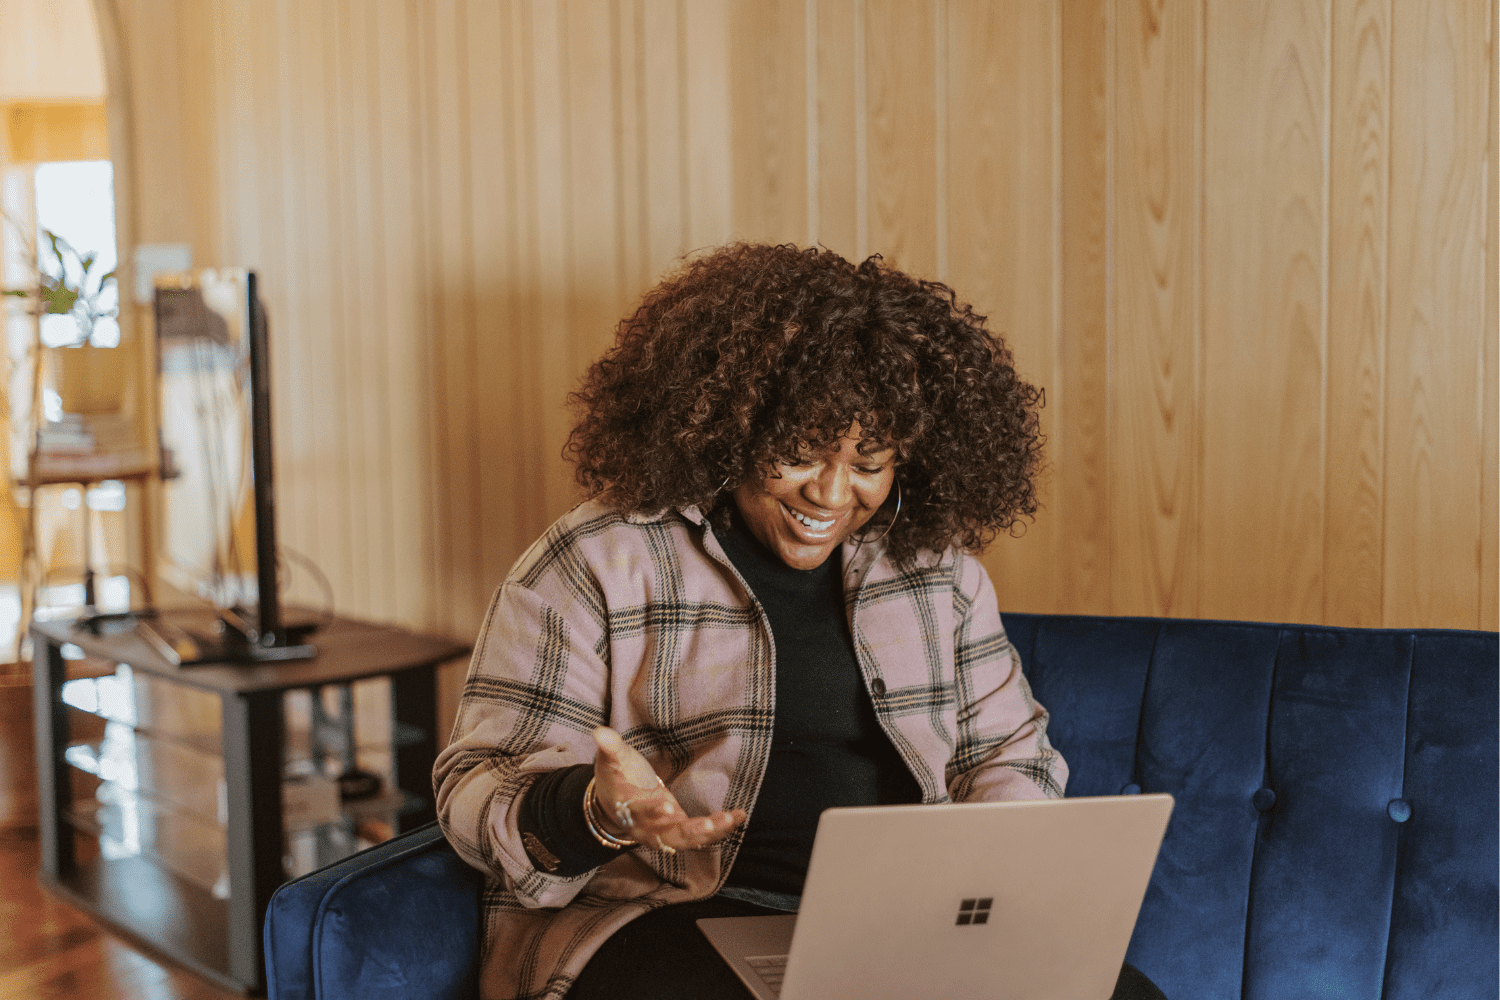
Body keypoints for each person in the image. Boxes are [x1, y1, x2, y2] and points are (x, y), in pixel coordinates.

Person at [433, 243, 1166, 1000]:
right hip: (665, 912)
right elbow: (474, 787)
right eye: (800, 452)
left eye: (869, 461)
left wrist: (985, 877)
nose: (831, 493)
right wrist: (596, 811)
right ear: (730, 426)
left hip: (895, 925)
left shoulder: (936, 573)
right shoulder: (597, 560)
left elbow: (1009, 753)